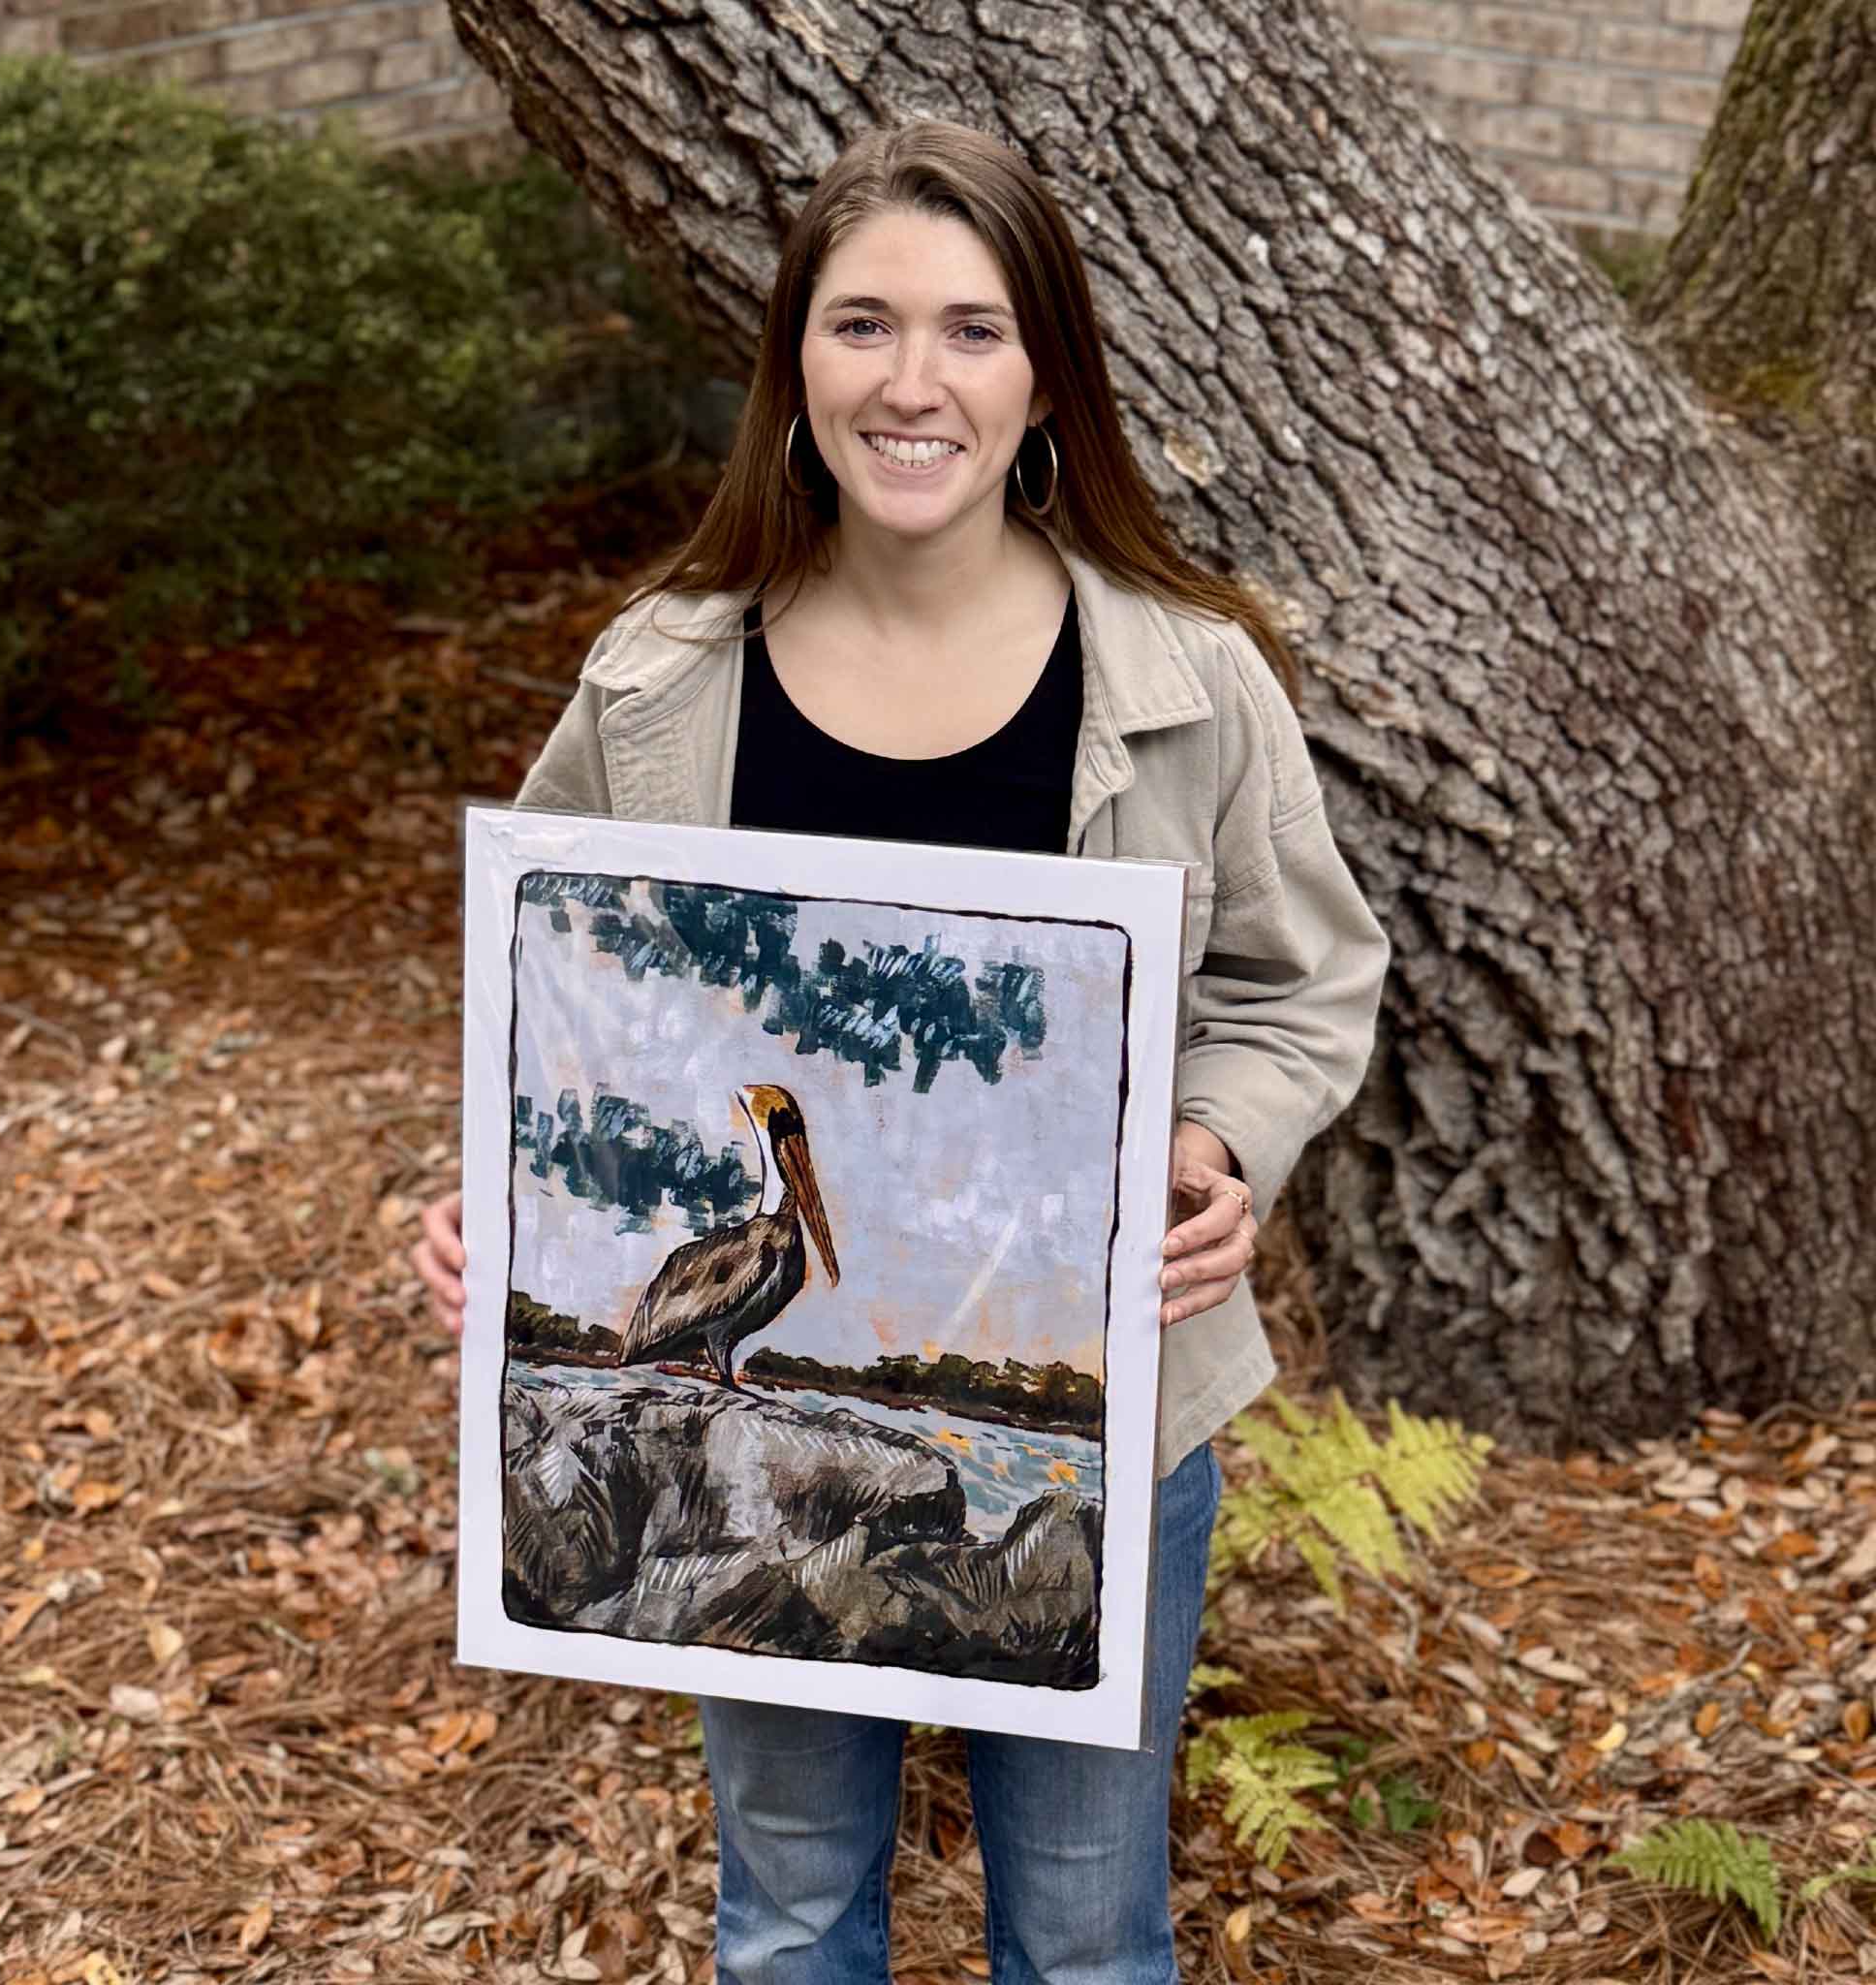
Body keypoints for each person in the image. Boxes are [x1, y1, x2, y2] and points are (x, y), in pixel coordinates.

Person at [414, 119, 1388, 1985]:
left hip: (1123, 1409)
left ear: (1046, 382)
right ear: (794, 366)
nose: (912, 381)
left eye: (971, 330)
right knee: (786, 1918)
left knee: (1091, 1933)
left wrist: (1221, 1144)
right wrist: (491, 1196)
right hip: (747, 1428)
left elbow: (1304, 978)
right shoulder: (662, 676)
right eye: (862, 326)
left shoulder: (1187, 684)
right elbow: (555, 995)